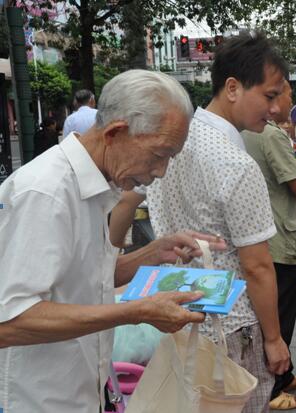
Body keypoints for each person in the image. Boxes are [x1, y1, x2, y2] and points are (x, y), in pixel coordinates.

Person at [0, 69, 227, 413]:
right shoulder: (46, 193)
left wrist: (154, 252)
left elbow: (85, 278)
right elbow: (10, 321)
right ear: (116, 132)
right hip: (37, 399)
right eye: (159, 154)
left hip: (79, 391)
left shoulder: (94, 183)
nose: (161, 171)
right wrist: (134, 312)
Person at [145, 32, 290, 413]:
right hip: (232, 329)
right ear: (232, 88)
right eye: (270, 96)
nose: (275, 109)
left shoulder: (175, 138)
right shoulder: (235, 163)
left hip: (177, 315)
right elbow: (257, 266)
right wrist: (274, 339)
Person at [241, 80, 296, 411]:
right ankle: (274, 386)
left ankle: (285, 373)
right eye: (286, 94)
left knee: (276, 313)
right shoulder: (270, 135)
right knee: (280, 317)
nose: (288, 101)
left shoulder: (244, 132)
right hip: (279, 238)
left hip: (264, 234)